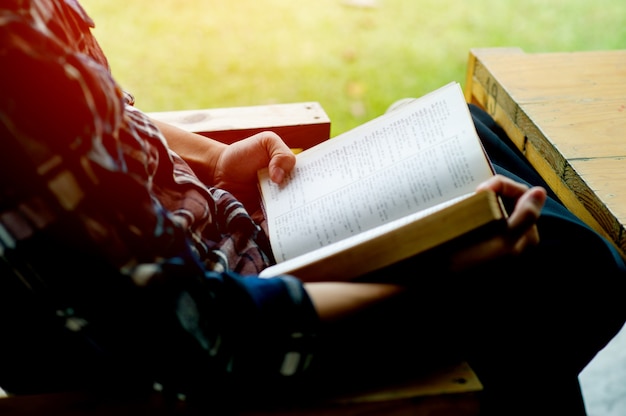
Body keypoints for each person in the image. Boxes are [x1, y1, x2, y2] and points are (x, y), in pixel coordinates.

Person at [1, 1, 624, 414]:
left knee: (476, 140)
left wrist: (214, 162)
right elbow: (201, 335)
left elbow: (108, 122)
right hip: (234, 319)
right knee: (572, 272)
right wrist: (436, 291)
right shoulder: (14, 60)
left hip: (230, 247)